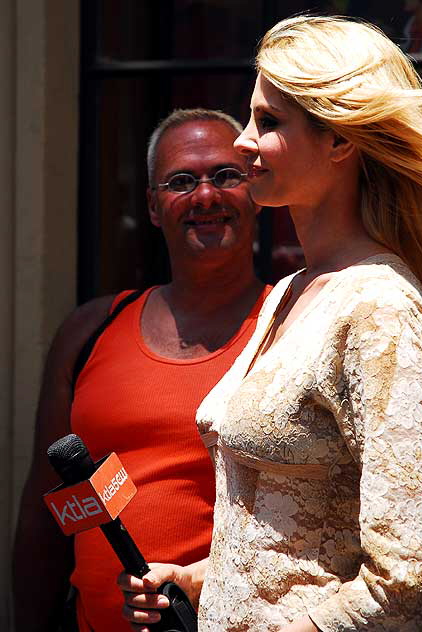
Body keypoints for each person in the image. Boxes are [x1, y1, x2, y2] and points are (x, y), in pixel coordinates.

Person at [119, 14, 422, 632]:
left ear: (340, 140)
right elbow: (287, 544)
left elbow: (411, 586)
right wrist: (197, 582)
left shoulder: (378, 306)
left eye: (269, 122)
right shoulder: (288, 293)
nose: (243, 142)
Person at [12, 108, 271, 632]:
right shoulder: (90, 331)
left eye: (225, 175)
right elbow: (44, 519)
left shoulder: (293, 325)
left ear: (256, 193)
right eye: (181, 182)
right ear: (153, 207)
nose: (205, 197)